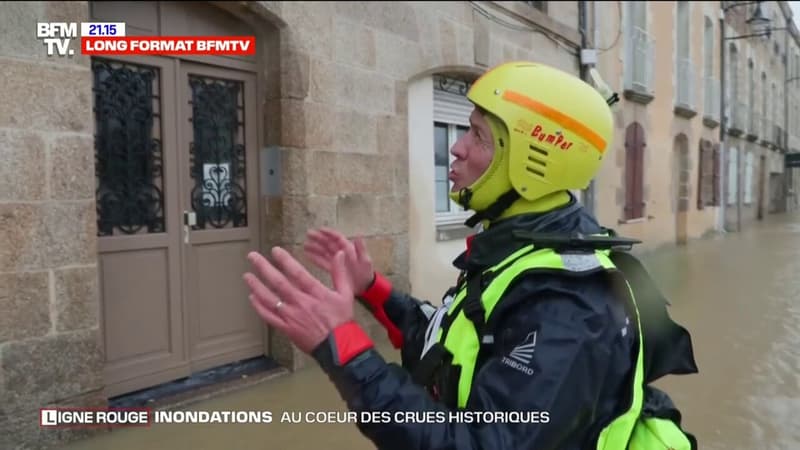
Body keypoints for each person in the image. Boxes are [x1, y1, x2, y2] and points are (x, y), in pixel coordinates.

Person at [242, 61, 698, 449]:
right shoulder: (522, 251)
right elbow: (450, 350)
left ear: (532, 159)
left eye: (478, 136)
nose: (456, 148)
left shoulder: (569, 304)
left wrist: (343, 347)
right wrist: (373, 290)